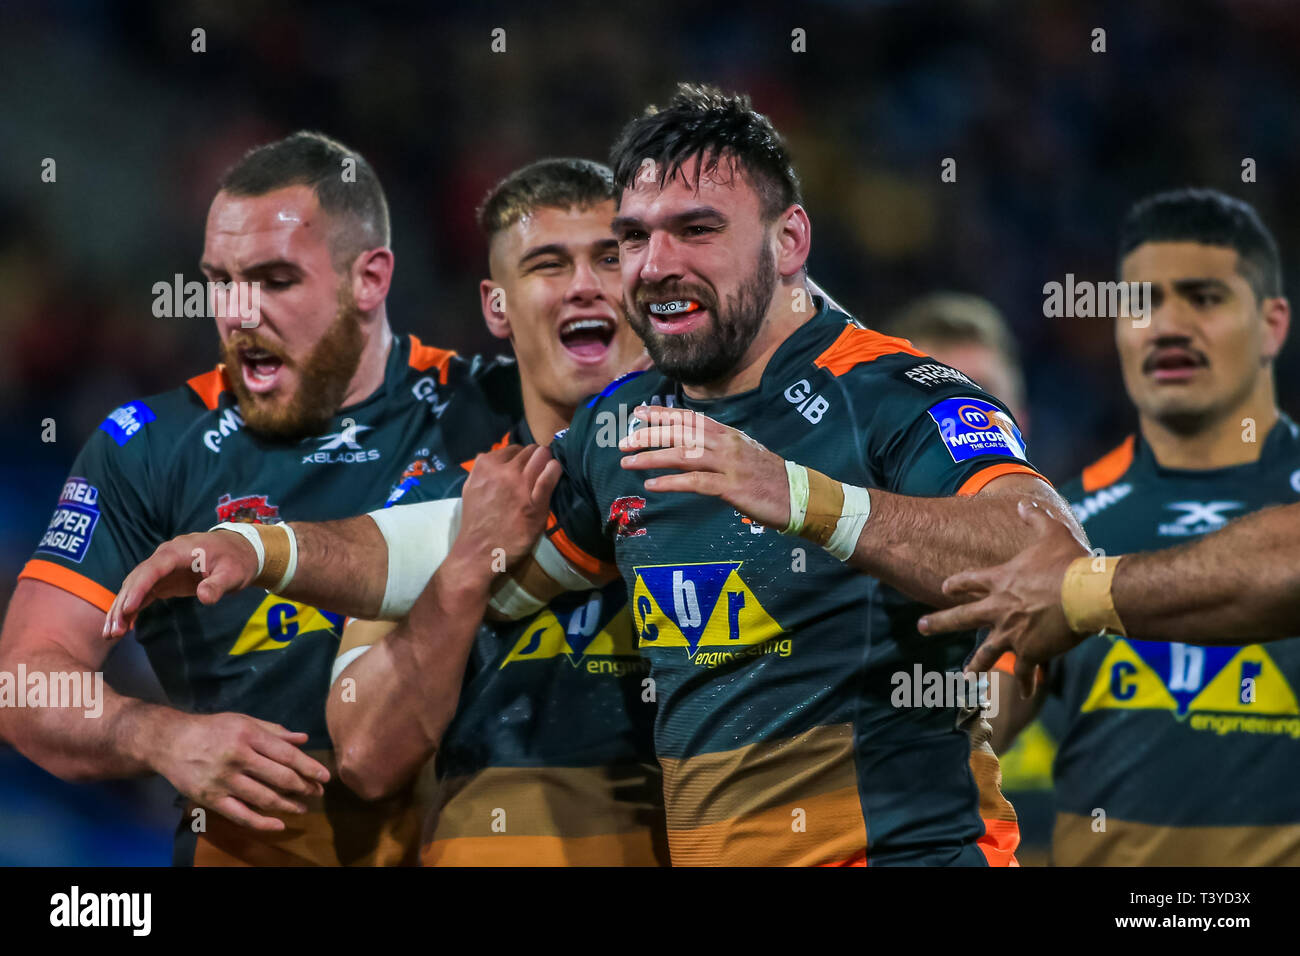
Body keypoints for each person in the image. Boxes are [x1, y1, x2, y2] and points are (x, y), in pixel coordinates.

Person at [109, 85, 1080, 866]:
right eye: (638, 235)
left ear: (789, 243)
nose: (650, 265)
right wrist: (259, 543)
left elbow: (1040, 546)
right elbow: (465, 549)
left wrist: (801, 497)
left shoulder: (894, 394)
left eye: (694, 229)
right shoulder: (624, 425)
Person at [0, 131, 518, 866]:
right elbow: (23, 678)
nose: (238, 314)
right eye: (220, 281)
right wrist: (159, 735)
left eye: (274, 281)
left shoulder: (497, 407)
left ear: (369, 279)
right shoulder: (148, 447)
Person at [922, 189, 1300, 865]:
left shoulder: (1061, 562)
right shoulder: (1056, 526)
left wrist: (1080, 593)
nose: (1167, 327)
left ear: (1272, 325)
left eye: (1204, 299)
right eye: (1142, 304)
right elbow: (969, 734)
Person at [328, 158, 666, 865]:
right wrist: (466, 566)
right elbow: (365, 754)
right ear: (497, 307)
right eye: (548, 264)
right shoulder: (430, 506)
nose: (583, 285)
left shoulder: (728, 475)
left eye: (609, 258)